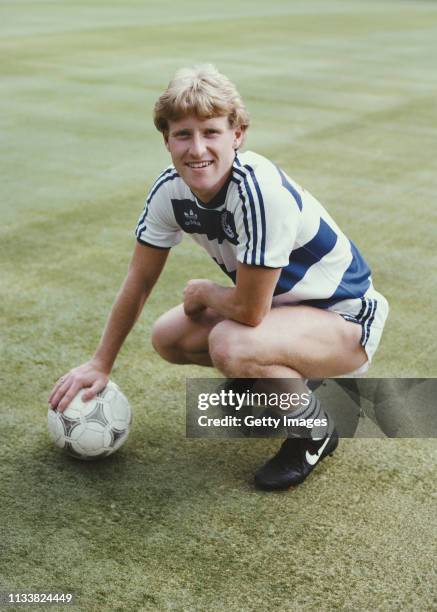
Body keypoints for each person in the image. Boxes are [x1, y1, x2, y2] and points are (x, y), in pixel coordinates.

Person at [49, 65, 389, 490]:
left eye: (211, 132)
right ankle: (281, 375)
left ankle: (315, 431)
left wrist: (205, 292)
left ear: (238, 135)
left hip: (345, 318)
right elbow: (138, 281)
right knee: (168, 336)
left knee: (231, 342)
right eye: (183, 134)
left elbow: (249, 310)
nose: (197, 149)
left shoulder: (259, 192)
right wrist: (101, 363)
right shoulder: (170, 192)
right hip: (284, 315)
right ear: (166, 140)